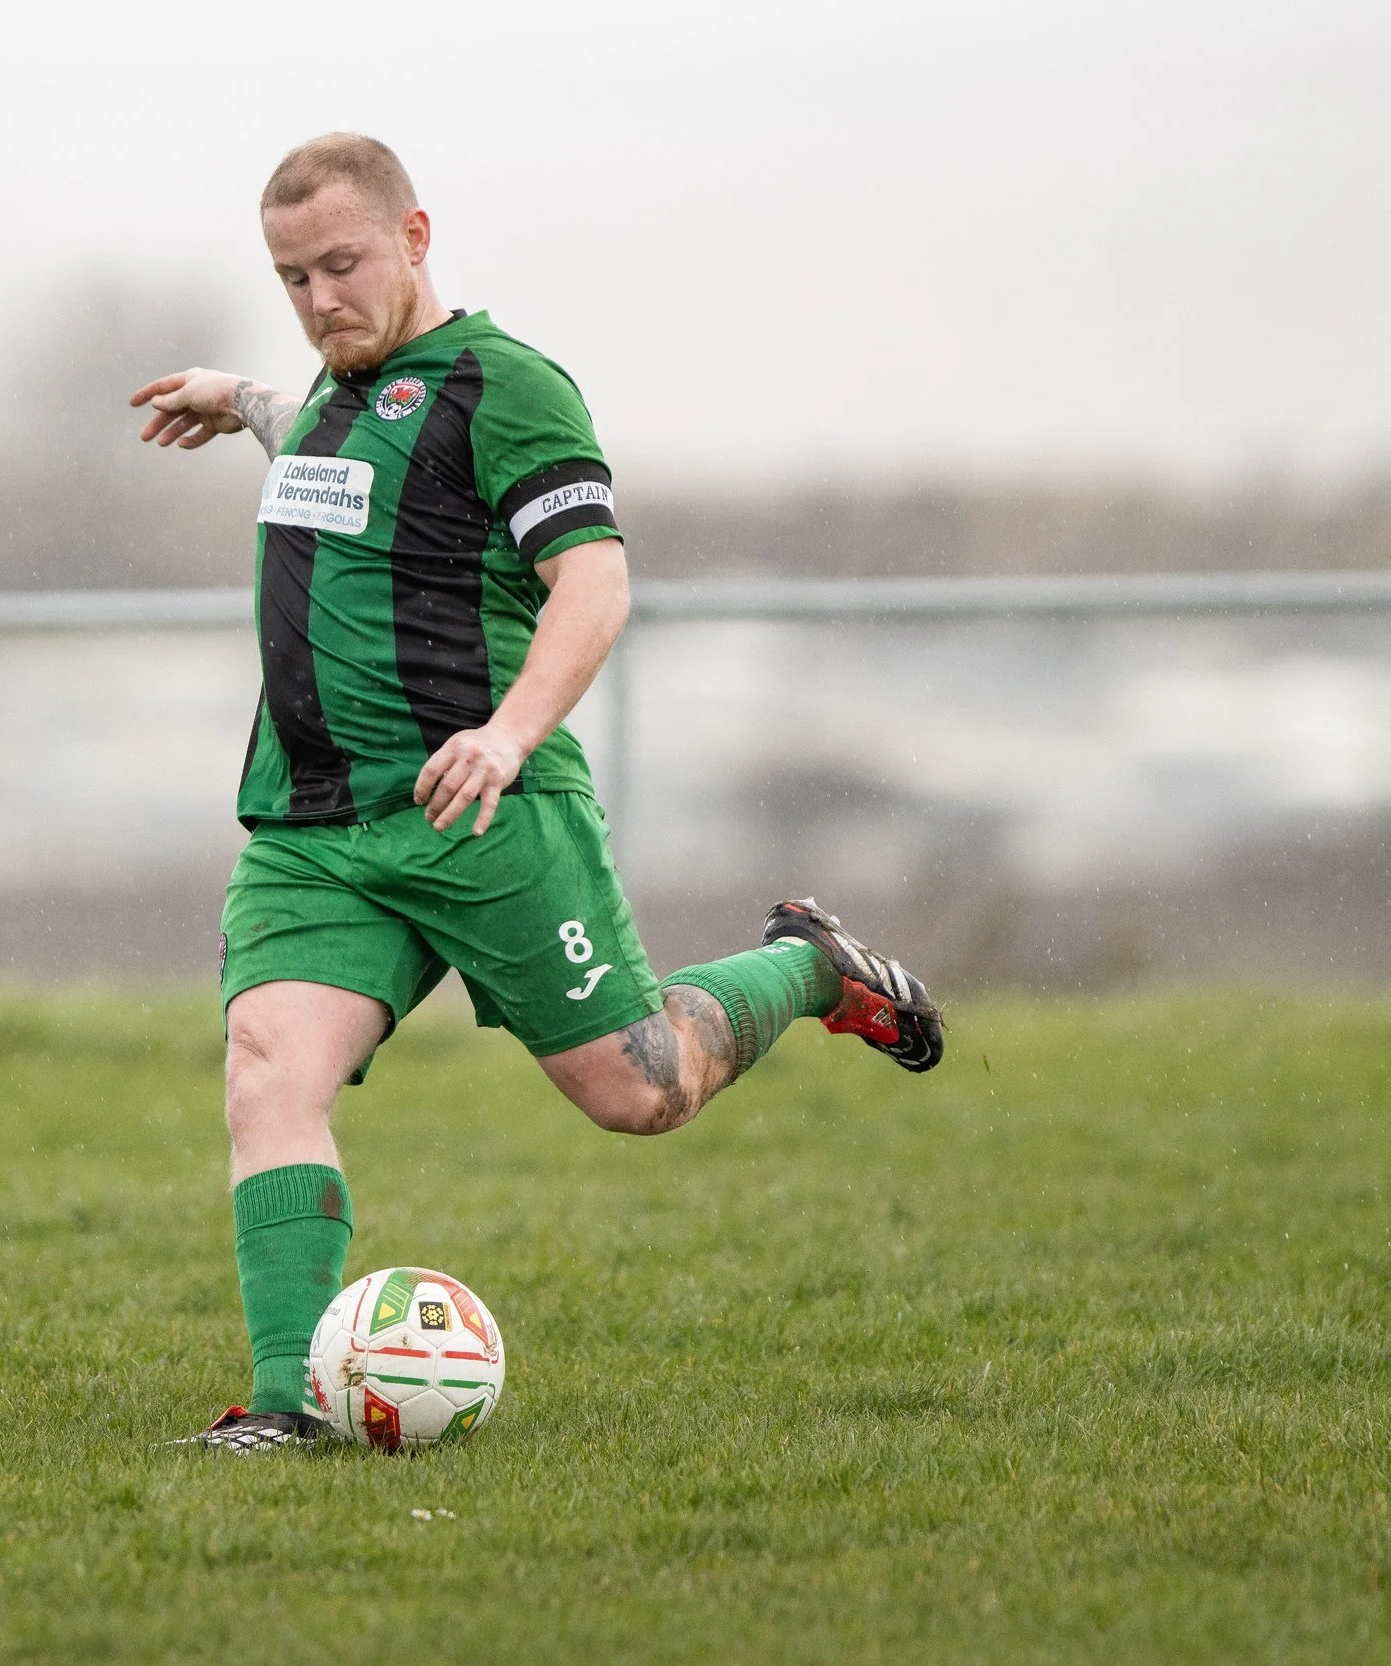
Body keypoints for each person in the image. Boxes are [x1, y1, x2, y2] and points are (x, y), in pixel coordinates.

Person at [131, 134, 945, 1453]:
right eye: (292, 278)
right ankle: (288, 1401)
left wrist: (509, 735)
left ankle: (806, 966)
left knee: (642, 1088)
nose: (321, 298)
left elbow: (597, 580)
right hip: (316, 832)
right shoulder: (335, 391)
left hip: (482, 810)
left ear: (415, 236)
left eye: (342, 263)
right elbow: (338, 457)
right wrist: (239, 396)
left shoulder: (507, 388)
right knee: (267, 1071)